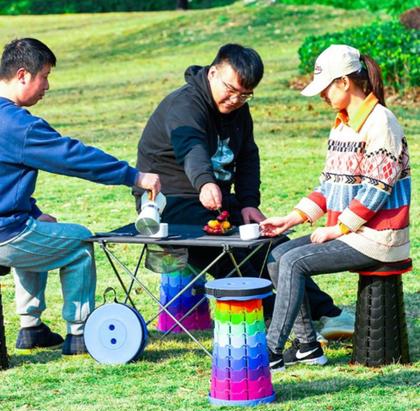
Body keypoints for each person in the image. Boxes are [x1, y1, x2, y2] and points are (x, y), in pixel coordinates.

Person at [134, 43, 353, 334]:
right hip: (167, 203)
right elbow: (191, 147)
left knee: (271, 240)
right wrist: (205, 181)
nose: (237, 99)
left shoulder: (239, 110)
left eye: (245, 94)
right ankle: (283, 316)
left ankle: (327, 312)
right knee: (232, 251)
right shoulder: (184, 105)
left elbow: (248, 155)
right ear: (213, 73)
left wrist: (249, 202)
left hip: (216, 201)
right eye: (231, 89)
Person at [0, 38, 160, 355]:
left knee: (43, 231)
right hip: (6, 234)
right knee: (79, 243)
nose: (48, 85)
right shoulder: (18, 125)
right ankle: (80, 333)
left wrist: (32, 212)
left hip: (10, 227)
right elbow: (73, 157)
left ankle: (31, 328)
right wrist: (134, 175)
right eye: (44, 75)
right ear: (22, 75)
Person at [260, 44, 411, 371]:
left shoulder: (381, 122)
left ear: (344, 82)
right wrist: (292, 218)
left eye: (325, 88)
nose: (321, 96)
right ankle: (306, 347)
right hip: (351, 232)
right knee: (276, 256)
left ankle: (270, 351)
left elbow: (376, 189)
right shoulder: (342, 124)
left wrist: (337, 228)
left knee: (294, 262)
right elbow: (329, 185)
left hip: (378, 238)